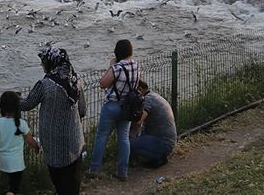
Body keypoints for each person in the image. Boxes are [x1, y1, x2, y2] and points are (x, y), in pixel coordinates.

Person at [20, 47, 86, 195]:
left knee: (59, 181)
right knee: (72, 182)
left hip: (54, 145)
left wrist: (10, 98)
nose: (42, 65)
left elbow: (26, 105)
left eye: (43, 62)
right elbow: (82, 110)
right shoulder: (75, 80)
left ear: (51, 62)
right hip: (75, 141)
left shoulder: (45, 84)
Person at [88, 39, 139, 181]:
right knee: (124, 138)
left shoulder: (117, 67)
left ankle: (94, 169)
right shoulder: (136, 65)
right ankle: (122, 172)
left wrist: (111, 67)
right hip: (127, 107)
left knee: (102, 137)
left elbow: (103, 83)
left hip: (112, 106)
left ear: (117, 52)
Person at [0, 92, 40, 195]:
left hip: (3, 161)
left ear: (1, 107)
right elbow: (30, 141)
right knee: (14, 187)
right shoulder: (22, 124)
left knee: (7, 183)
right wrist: (36, 147)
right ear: (17, 107)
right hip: (17, 163)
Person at [130, 79, 177, 168]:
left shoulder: (147, 100)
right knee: (138, 137)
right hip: (168, 141)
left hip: (163, 142)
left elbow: (139, 121)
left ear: (139, 89)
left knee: (129, 143)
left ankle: (158, 158)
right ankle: (159, 156)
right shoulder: (154, 96)